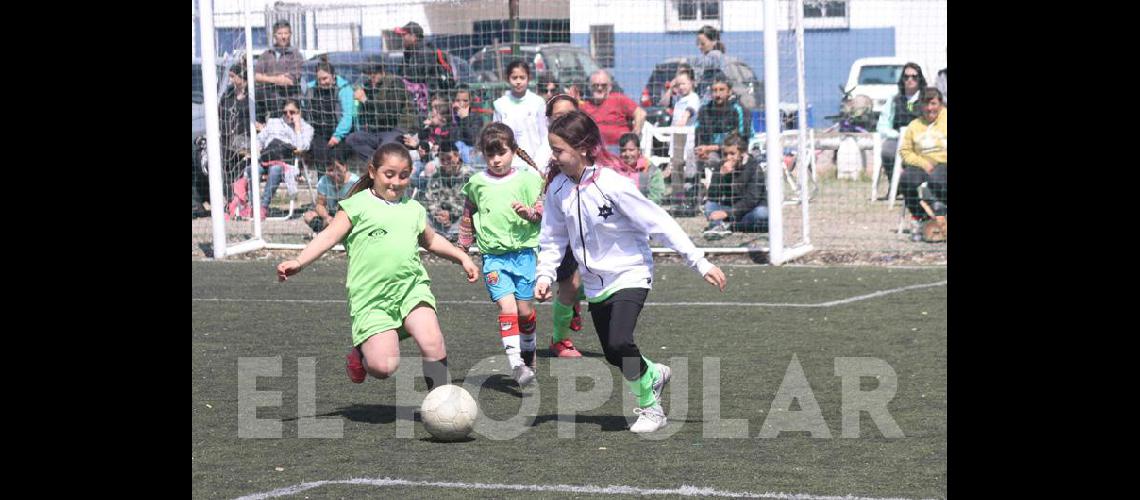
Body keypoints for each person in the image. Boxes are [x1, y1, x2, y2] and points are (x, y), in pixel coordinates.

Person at [534, 110, 727, 433]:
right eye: (552, 150)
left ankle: (652, 410)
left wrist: (699, 261)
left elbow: (659, 222)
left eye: (558, 150)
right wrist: (544, 275)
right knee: (612, 353)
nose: (554, 157)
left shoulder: (612, 185)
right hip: (595, 284)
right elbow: (552, 237)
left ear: (582, 148)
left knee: (621, 341)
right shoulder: (557, 191)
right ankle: (653, 373)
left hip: (630, 273)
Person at [277, 142, 480, 388]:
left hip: (411, 288)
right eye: (389, 174)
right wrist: (299, 261)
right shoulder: (357, 205)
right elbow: (328, 236)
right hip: (371, 298)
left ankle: (441, 399)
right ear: (373, 172)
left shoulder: (413, 209)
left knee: (432, 340)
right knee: (384, 366)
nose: (396, 182)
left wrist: (462, 256)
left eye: (404, 176)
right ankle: (361, 355)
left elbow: (431, 240)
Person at [456, 123, 546, 386]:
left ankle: (528, 353)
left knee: (525, 312)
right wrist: (462, 248)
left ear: (513, 152)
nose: (496, 160)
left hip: (525, 256)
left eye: (502, 153)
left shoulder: (529, 179)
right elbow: (467, 214)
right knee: (507, 307)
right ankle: (517, 365)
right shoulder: (476, 184)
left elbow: (540, 213)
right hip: (494, 257)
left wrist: (528, 213)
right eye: (490, 154)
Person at [544, 93, 588, 356]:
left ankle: (572, 303)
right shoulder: (545, 151)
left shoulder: (588, 146)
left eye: (568, 115)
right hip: (561, 223)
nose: (562, 120)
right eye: (557, 116)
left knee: (594, 279)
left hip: (591, 223)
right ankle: (559, 340)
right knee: (569, 285)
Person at [245, 98, 315, 217]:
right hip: (266, 159)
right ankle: (252, 206)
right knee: (252, 169)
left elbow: (302, 147)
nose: (288, 115)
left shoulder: (307, 128)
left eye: (292, 112)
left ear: (299, 112)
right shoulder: (273, 122)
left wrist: (297, 127)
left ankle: (263, 206)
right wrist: (258, 149)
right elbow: (259, 139)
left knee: (276, 169)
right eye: (285, 112)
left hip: (287, 164)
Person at [898, 87, 947, 238]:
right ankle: (922, 217)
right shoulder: (914, 125)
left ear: (940, 104)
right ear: (920, 106)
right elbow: (905, 151)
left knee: (937, 179)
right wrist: (922, 163)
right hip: (921, 163)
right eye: (926, 104)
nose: (929, 108)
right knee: (906, 181)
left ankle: (942, 212)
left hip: (943, 162)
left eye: (933, 103)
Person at [345, 62, 418, 163]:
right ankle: (375, 161)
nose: (371, 77)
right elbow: (367, 113)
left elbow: (391, 112)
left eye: (373, 74)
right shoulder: (368, 86)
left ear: (382, 72)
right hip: (377, 131)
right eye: (368, 74)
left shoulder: (395, 82)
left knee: (385, 148)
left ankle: (381, 164)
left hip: (396, 128)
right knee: (352, 139)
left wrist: (365, 100)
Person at [701, 132, 768, 239]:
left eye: (732, 153)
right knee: (709, 206)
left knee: (762, 214)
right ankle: (727, 225)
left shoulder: (754, 168)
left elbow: (751, 200)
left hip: (750, 210)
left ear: (742, 153)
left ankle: (728, 226)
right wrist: (720, 176)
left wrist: (727, 213)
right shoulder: (721, 166)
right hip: (729, 207)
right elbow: (712, 196)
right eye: (725, 154)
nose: (728, 157)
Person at [492, 60, 551, 174]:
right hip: (510, 163)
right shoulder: (500, 104)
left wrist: (540, 161)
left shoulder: (537, 102)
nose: (518, 82)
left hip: (534, 161)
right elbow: (496, 135)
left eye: (522, 77)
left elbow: (544, 135)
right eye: (514, 78)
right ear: (507, 78)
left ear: (528, 78)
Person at [876, 63, 927, 185]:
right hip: (898, 139)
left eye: (914, 76)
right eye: (906, 76)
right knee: (887, 151)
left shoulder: (928, 99)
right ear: (902, 79)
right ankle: (896, 184)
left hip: (923, 140)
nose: (910, 80)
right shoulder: (894, 100)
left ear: (920, 78)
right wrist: (897, 135)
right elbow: (882, 125)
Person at [304, 56, 356, 172]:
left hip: (340, 133)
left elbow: (347, 116)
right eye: (319, 79)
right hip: (319, 132)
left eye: (325, 79)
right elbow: (304, 111)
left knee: (336, 156)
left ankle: (341, 184)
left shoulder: (344, 89)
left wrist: (337, 136)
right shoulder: (310, 89)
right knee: (320, 153)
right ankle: (322, 185)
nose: (322, 82)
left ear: (333, 76)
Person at [416, 141, 472, 242]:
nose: (445, 162)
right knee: (421, 216)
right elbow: (430, 200)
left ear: (457, 156)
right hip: (441, 220)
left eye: (449, 158)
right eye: (442, 159)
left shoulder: (469, 176)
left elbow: (468, 204)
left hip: (460, 218)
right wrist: (438, 213)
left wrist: (450, 215)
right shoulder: (437, 175)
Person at [579, 69, 646, 152]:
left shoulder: (618, 99)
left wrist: (635, 135)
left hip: (620, 149)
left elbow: (640, 113)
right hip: (596, 150)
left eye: (604, 85)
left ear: (610, 87)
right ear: (589, 87)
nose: (599, 88)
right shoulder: (584, 107)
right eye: (595, 85)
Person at [254, 20, 304, 123]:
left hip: (287, 102)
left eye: (286, 33)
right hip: (267, 101)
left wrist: (266, 77)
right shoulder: (266, 54)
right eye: (280, 33)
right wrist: (278, 78)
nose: (283, 36)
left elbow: (289, 81)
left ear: (290, 34)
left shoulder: (296, 55)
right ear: (274, 35)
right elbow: (256, 76)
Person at [303, 146, 359, 234]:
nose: (332, 173)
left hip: (348, 217)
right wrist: (327, 217)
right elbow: (319, 205)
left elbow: (359, 208)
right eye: (329, 170)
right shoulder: (324, 181)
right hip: (332, 216)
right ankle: (328, 234)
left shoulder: (355, 182)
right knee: (308, 216)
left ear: (345, 167)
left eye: (336, 169)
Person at [396, 21, 455, 96]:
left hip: (432, 97)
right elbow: (401, 74)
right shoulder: (409, 52)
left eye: (404, 35)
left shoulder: (425, 52)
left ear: (413, 37)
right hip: (419, 95)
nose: (402, 38)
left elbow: (415, 77)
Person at [618, 132, 665, 204]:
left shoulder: (651, 171)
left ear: (639, 150)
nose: (627, 154)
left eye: (631, 150)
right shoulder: (614, 170)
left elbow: (657, 196)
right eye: (623, 150)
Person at [446, 85, 487, 164]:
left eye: (465, 101)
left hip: (469, 157)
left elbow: (472, 140)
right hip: (451, 157)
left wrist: (464, 119)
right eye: (458, 100)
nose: (461, 104)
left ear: (470, 101)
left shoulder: (476, 118)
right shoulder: (449, 116)